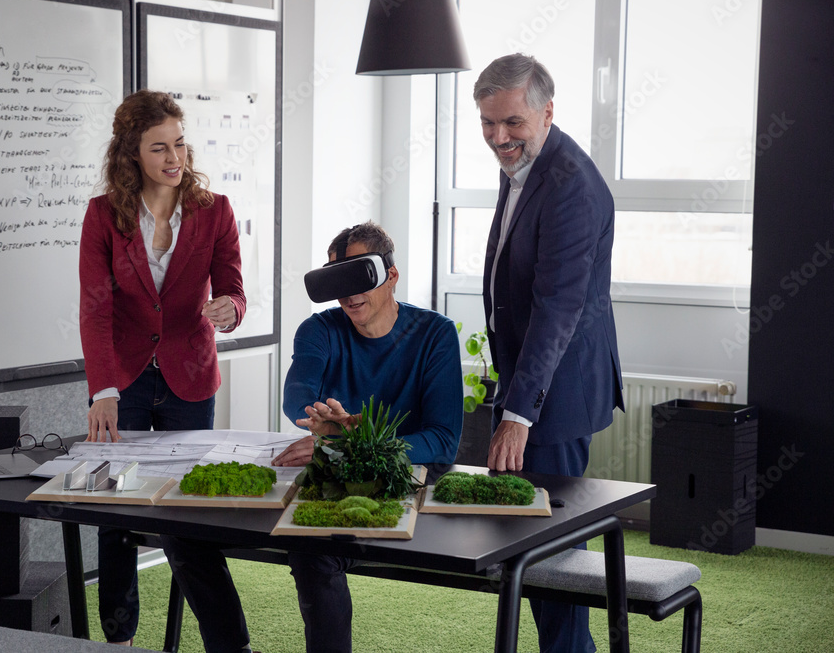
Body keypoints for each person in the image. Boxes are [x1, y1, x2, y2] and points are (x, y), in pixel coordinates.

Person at [79, 89, 248, 649]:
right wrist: (102, 389)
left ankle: (227, 642)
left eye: (179, 143)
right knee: (114, 513)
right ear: (131, 153)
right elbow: (95, 309)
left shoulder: (214, 209)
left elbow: (233, 288)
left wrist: (230, 309)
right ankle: (119, 641)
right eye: (159, 148)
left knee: (190, 513)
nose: (175, 158)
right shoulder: (103, 215)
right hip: (122, 379)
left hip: (189, 374)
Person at [475, 54, 624, 652]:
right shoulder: (525, 161)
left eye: (511, 122)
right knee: (530, 549)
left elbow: (558, 308)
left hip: (554, 396)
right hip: (529, 383)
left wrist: (518, 414)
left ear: (547, 112)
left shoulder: (570, 185)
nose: (498, 137)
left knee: (552, 555)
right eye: (487, 123)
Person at [274, 221, 463, 653]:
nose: (349, 294)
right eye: (338, 281)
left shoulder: (435, 333)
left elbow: (443, 441)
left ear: (391, 275)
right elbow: (298, 399)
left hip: (411, 482)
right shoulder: (319, 330)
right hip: (339, 483)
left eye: (359, 277)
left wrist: (353, 439)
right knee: (306, 549)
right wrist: (323, 422)